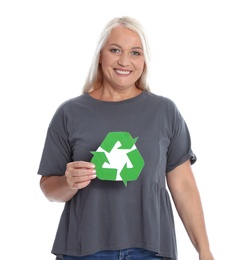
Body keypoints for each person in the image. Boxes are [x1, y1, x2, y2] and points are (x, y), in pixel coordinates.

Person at [38, 16, 214, 260]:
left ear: (144, 61)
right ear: (100, 55)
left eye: (135, 53)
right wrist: (69, 182)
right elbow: (48, 189)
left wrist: (204, 251)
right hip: (84, 249)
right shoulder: (69, 113)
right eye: (115, 50)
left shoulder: (165, 112)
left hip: (151, 250)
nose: (124, 61)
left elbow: (184, 187)